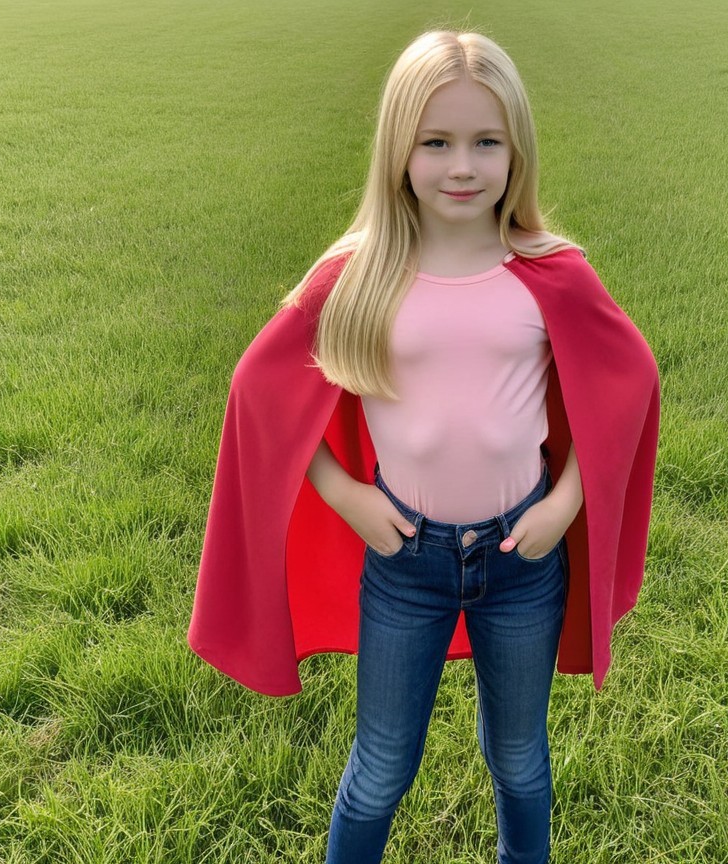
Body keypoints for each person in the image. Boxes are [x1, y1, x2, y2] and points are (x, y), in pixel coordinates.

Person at [187, 30, 660, 864]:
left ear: (518, 150)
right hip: (405, 564)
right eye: (435, 143)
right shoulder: (358, 275)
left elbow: (628, 390)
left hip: (522, 562)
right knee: (379, 769)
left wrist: (565, 504)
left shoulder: (550, 271)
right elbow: (259, 393)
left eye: (486, 142)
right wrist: (345, 495)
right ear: (397, 150)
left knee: (519, 761)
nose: (462, 167)